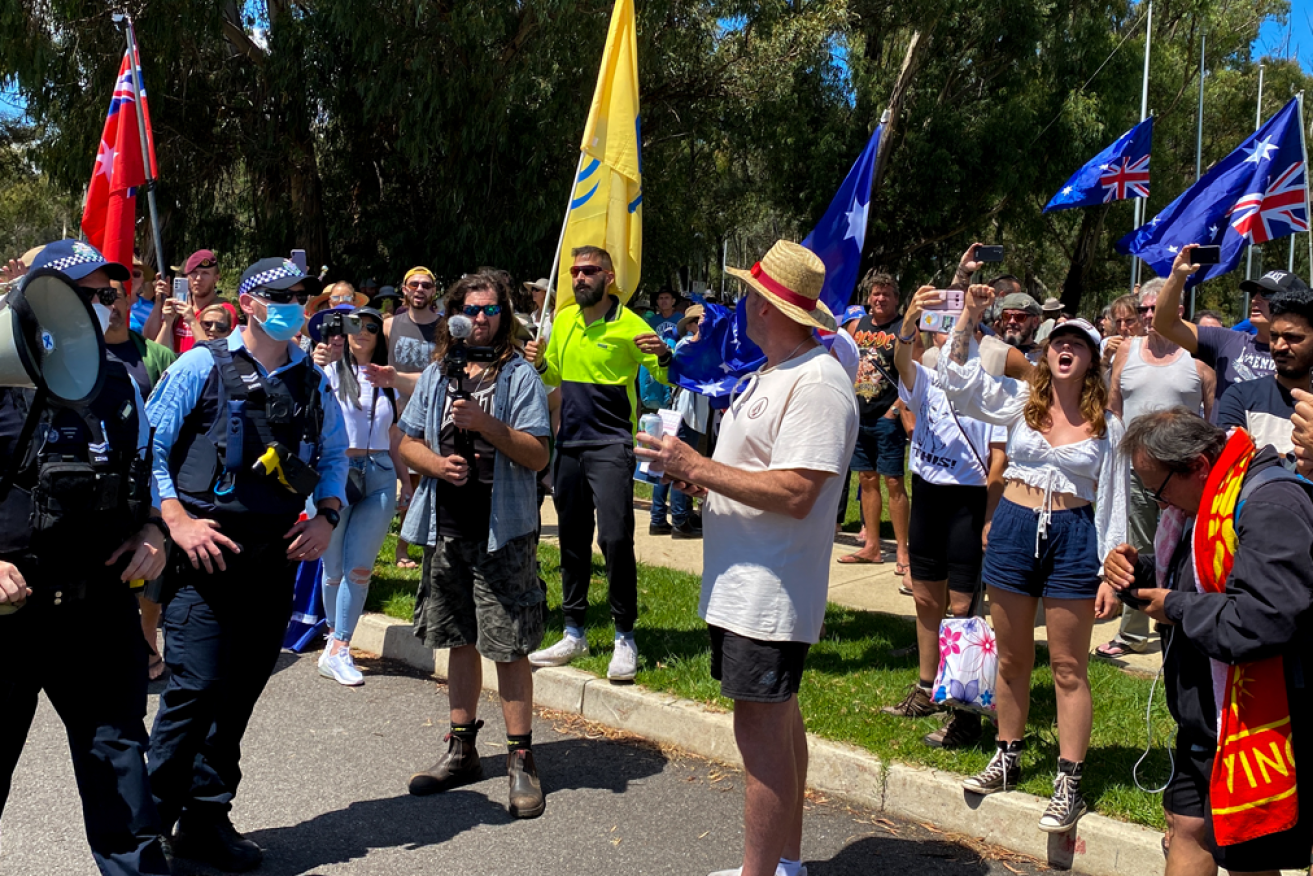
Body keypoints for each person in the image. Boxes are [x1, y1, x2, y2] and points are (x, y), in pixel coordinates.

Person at [635, 240, 857, 876]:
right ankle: (786, 863)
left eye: (749, 294)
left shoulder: (817, 382)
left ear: (770, 306)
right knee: (778, 725)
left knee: (760, 739)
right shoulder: (771, 373)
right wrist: (702, 479)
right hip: (748, 586)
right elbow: (763, 474)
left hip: (771, 592)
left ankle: (762, 871)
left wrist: (696, 465)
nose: (739, 304)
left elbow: (797, 492)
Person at [144, 256, 346, 872]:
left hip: (274, 559)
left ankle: (206, 817)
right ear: (252, 302)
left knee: (237, 697)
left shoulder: (313, 382)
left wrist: (328, 515)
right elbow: (148, 445)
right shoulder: (199, 364)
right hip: (203, 558)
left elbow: (333, 454)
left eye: (302, 296)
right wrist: (174, 519)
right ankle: (147, 828)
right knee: (194, 691)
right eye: (282, 295)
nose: (295, 306)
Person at [0, 240, 171, 876]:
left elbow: (146, 476)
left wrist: (154, 530)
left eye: (109, 294)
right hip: (7, 615)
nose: (105, 306)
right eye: (89, 295)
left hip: (96, 612)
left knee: (122, 774)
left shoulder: (124, 382)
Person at [938, 285, 1127, 834]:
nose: (1064, 348)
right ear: (1046, 353)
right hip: (1016, 530)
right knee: (1013, 658)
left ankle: (1069, 779)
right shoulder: (1021, 405)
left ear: (1091, 359)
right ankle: (1007, 754)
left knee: (1068, 666)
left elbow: (1113, 501)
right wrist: (969, 317)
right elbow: (959, 382)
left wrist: (1110, 571)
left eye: (1077, 343)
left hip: (1073, 535)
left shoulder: (1107, 426)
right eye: (1057, 342)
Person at [1106, 408, 1313, 876]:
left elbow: (1262, 619)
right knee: (1185, 827)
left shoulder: (1269, 504)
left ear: (1198, 465)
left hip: (1257, 721)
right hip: (1204, 717)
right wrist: (1133, 574)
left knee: (1247, 859)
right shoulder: (1202, 501)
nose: (1158, 504)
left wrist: (1174, 606)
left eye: (1158, 489)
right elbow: (1193, 580)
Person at [398, 273, 551, 816]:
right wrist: (436, 464)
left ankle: (520, 759)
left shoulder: (519, 376)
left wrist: (487, 425)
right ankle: (462, 750)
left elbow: (537, 456)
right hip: (447, 528)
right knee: (457, 638)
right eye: (470, 309)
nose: (480, 318)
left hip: (502, 531)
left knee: (508, 646)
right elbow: (407, 439)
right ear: (454, 314)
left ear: (504, 314)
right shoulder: (439, 373)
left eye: (489, 310)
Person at [523, 245, 671, 681]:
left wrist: (662, 355)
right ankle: (574, 630)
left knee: (615, 538)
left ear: (609, 276)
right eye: (574, 271)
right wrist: (541, 362)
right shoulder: (564, 319)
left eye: (589, 271)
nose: (579, 278)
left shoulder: (630, 324)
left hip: (610, 445)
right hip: (567, 443)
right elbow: (552, 378)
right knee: (571, 539)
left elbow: (662, 375)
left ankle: (625, 634)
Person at [880, 288, 1007, 750]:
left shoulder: (989, 388)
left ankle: (966, 708)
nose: (953, 342)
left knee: (963, 609)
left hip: (967, 502)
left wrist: (991, 515)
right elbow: (903, 363)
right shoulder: (929, 379)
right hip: (928, 495)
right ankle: (927, 686)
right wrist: (908, 322)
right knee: (924, 597)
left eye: (964, 335)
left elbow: (999, 459)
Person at [1095, 276, 1215, 660]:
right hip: (1134, 471)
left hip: (1183, 475)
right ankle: (1133, 631)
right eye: (1144, 308)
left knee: (1183, 546)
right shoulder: (1125, 353)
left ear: (1177, 311)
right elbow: (1112, 409)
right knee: (1138, 546)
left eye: (1155, 308)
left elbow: (1212, 428)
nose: (1149, 315)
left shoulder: (1198, 364)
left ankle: (1182, 617)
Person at [309, 306, 405, 686]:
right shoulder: (328, 373)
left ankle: (341, 648)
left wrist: (406, 484)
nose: (362, 332)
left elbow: (395, 434)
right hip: (336, 474)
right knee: (333, 569)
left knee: (359, 568)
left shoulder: (386, 379)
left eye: (370, 326)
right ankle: (333, 639)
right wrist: (314, 361)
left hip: (379, 473)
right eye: (355, 325)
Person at [102, 273, 178, 681]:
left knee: (152, 570)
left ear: (132, 301)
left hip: (147, 486)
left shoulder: (156, 356)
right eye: (102, 296)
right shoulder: (75, 355)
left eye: (117, 296)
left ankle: (148, 641)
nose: (111, 304)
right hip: (96, 489)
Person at [839, 270, 910, 576]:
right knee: (866, 480)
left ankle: (903, 552)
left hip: (887, 418)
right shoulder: (857, 326)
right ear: (868, 297)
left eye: (887, 294)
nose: (880, 299)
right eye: (876, 293)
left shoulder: (905, 328)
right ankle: (872, 547)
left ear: (897, 298)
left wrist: (894, 411)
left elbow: (913, 374)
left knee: (894, 482)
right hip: (861, 415)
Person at [1154, 244, 1282, 406]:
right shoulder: (1226, 341)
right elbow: (1165, 324)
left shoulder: (1304, 354)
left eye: (1266, 293)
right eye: (1253, 293)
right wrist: (1177, 276)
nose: (1255, 299)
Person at [376, 266, 443, 569]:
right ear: (403, 289)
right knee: (407, 483)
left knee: (428, 478)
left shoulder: (444, 328)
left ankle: (428, 544)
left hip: (433, 415)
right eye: (413, 284)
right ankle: (401, 549)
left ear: (434, 291)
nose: (419, 289)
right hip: (397, 415)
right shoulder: (389, 326)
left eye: (426, 285)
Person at [1215, 279, 1313, 459]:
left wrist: (1261, 455)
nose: (1280, 346)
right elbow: (1232, 465)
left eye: (1292, 337)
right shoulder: (1241, 397)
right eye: (1274, 336)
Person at [652, 304, 708, 539]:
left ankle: (659, 519)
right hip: (686, 413)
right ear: (694, 323)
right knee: (679, 466)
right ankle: (679, 520)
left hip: (681, 411)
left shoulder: (689, 345)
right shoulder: (689, 345)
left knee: (667, 465)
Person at [155, 248, 232, 355]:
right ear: (187, 277)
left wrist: (192, 320)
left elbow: (214, 355)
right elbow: (153, 347)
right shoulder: (179, 308)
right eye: (194, 272)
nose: (199, 278)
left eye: (205, 273)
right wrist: (164, 316)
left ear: (216, 278)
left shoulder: (223, 310)